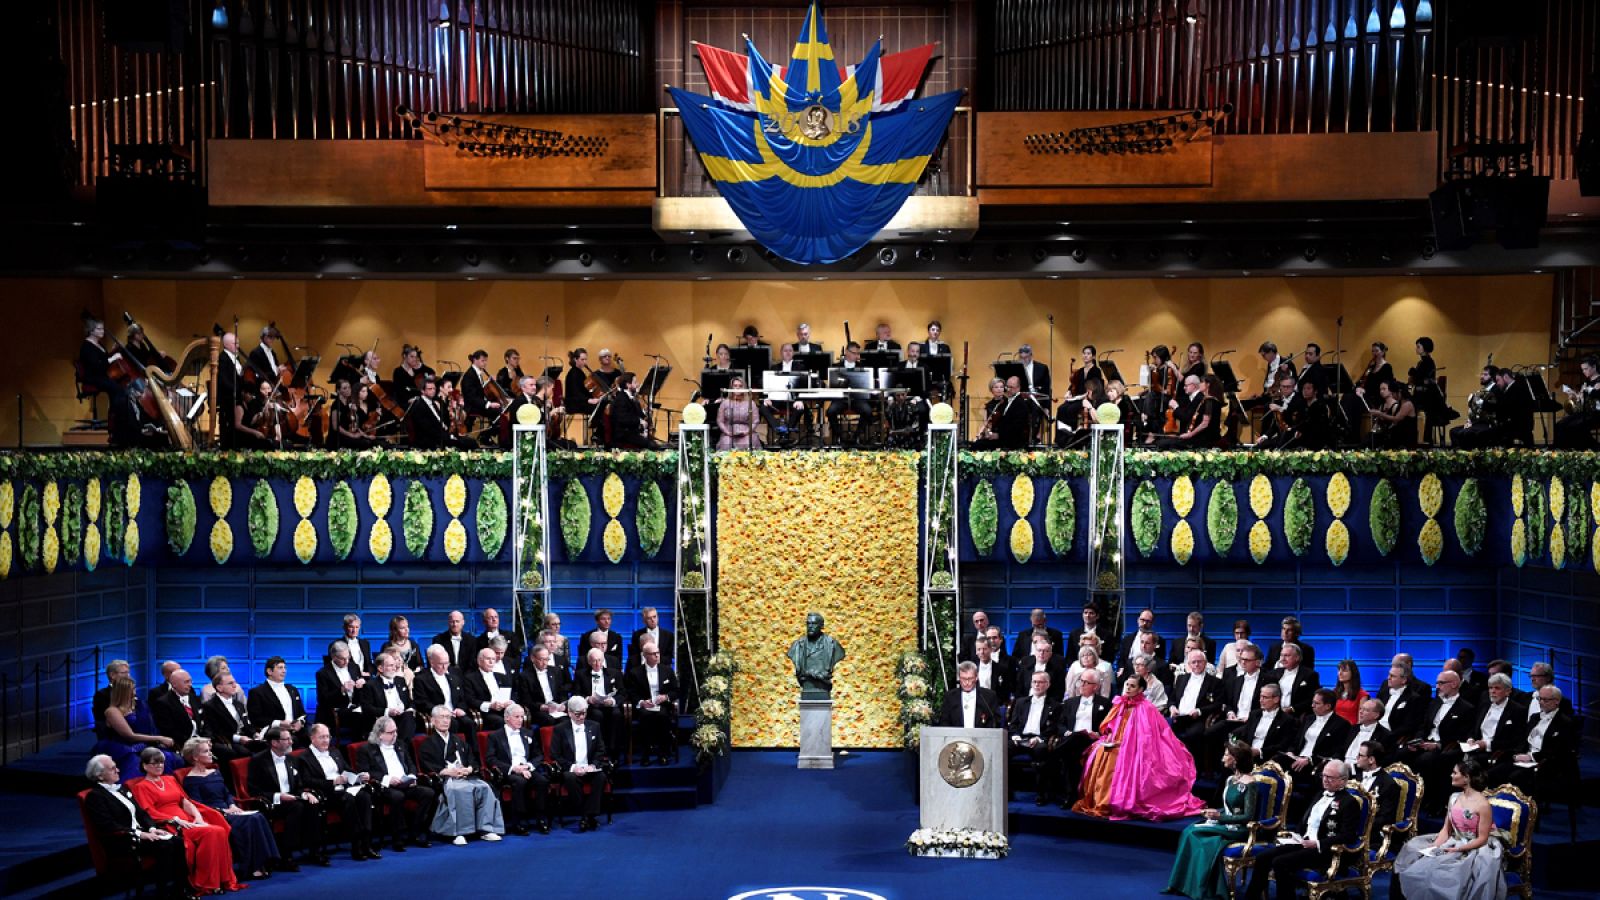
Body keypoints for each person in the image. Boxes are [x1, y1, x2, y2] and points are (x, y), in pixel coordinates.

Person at [1073, 676, 1206, 821]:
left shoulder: (1147, 708)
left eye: (1132, 686)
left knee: (1115, 756)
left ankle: (1114, 802)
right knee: (1098, 751)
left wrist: (1125, 743)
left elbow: (1149, 736)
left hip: (1138, 747)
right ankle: (1098, 801)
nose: (1128, 688)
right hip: (1115, 742)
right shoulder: (1120, 704)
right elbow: (1109, 726)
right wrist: (1110, 736)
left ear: (1141, 689)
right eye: (1127, 685)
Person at [1240, 761, 1364, 900]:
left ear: (1342, 781)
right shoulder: (1319, 794)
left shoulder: (1349, 802)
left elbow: (1348, 836)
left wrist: (1317, 843)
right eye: (1324, 775)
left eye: (1330, 777)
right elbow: (1306, 822)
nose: (1325, 780)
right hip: (1303, 843)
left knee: (1280, 862)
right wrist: (1295, 835)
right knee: (1263, 857)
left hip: (1323, 850)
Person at [130, 747, 241, 893]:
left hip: (187, 819)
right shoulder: (141, 787)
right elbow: (149, 812)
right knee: (212, 832)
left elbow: (186, 802)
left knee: (218, 830)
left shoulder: (169, 779)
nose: (159, 766)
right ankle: (205, 883)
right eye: (154, 763)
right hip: (169, 824)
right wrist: (174, 819)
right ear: (144, 766)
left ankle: (217, 880)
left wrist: (198, 817)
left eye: (161, 763)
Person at [1392, 759, 1505, 900]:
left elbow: (1482, 838)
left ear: (1466, 778)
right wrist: (1435, 846)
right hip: (1454, 840)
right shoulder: (1454, 798)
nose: (1451, 775)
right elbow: (1446, 829)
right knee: (1414, 853)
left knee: (1439, 876)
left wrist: (1458, 850)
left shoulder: (1483, 805)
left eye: (1455, 773)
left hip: (1474, 848)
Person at [1164, 744, 1261, 900]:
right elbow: (1228, 807)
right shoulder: (1231, 779)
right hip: (1225, 823)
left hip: (1239, 829)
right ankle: (1181, 884)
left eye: (1225, 755)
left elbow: (1247, 817)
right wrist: (1215, 812)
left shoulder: (1250, 784)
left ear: (1235, 759)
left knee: (1195, 833)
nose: (1222, 758)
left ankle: (1202, 888)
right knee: (1190, 831)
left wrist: (1219, 817)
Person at [82, 754, 188, 898]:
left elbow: (141, 813)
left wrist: (152, 828)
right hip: (123, 840)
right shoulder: (95, 796)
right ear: (100, 776)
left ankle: (179, 889)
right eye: (113, 768)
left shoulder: (122, 789)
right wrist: (140, 834)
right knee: (165, 845)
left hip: (141, 833)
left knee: (178, 841)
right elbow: (108, 826)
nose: (118, 770)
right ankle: (162, 892)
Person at [180, 737, 277, 879]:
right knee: (249, 820)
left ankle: (264, 862)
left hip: (231, 810)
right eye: (206, 751)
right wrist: (225, 811)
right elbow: (199, 805)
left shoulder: (215, 772)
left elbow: (227, 793)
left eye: (209, 751)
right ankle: (250, 867)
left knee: (258, 816)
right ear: (195, 757)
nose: (210, 754)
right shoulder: (191, 780)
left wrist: (232, 805)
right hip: (215, 815)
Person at [419, 706, 505, 845]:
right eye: (442, 717)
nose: (446, 721)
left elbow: (472, 759)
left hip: (465, 776)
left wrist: (469, 768)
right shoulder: (427, 744)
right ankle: (459, 832)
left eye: (448, 717)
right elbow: (427, 765)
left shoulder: (459, 740)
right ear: (433, 721)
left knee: (484, 787)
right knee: (459, 790)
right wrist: (446, 771)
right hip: (447, 779)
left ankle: (486, 829)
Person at [246, 726, 327, 870]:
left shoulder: (291, 759)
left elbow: (299, 784)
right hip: (272, 803)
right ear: (274, 743)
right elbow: (254, 790)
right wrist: (279, 796)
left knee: (312, 803)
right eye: (287, 739)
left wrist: (305, 793)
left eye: (291, 738)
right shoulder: (258, 761)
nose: (291, 742)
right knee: (297, 807)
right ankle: (286, 855)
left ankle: (315, 850)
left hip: (293, 799)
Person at [297, 724, 380, 861]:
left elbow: (346, 769)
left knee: (364, 796)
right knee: (348, 798)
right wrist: (333, 782)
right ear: (312, 738)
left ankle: (366, 841)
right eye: (322, 737)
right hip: (326, 794)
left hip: (344, 789)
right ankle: (356, 843)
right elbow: (307, 781)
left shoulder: (334, 751)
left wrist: (358, 776)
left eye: (328, 737)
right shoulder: (304, 757)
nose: (326, 740)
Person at [359, 715, 438, 851]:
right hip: (384, 787)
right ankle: (398, 837)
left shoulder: (400, 745)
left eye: (396, 731)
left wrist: (412, 777)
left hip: (405, 783)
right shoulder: (366, 750)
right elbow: (365, 772)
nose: (395, 735)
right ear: (380, 734)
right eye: (391, 733)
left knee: (429, 793)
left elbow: (411, 764)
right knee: (397, 796)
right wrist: (388, 779)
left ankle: (415, 832)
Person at [93, 675, 181, 781]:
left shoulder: (141, 705)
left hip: (146, 743)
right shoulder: (112, 711)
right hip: (125, 746)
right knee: (135, 764)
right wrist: (159, 738)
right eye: (132, 689)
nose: (135, 691)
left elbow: (152, 726)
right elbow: (130, 736)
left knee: (169, 757)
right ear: (123, 691)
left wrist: (158, 740)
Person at [485, 703, 551, 835]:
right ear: (507, 718)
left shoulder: (528, 733)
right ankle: (518, 822)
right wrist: (513, 769)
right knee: (519, 782)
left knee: (542, 781)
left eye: (522, 716)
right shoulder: (495, 736)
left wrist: (528, 766)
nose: (521, 720)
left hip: (527, 769)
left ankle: (541, 819)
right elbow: (490, 759)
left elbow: (539, 755)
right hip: (509, 771)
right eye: (517, 717)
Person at [551, 697, 611, 832]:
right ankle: (585, 816)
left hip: (589, 767)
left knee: (600, 777)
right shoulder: (560, 729)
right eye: (578, 714)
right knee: (570, 778)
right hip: (571, 768)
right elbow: (555, 754)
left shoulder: (594, 726)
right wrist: (573, 767)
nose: (582, 717)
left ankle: (589, 815)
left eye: (584, 713)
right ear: (570, 713)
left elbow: (600, 750)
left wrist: (593, 765)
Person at [1008, 671, 1062, 805]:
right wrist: (1015, 736)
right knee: (1003, 749)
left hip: (1039, 740)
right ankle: (1007, 791)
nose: (1037, 685)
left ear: (1048, 684)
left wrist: (1039, 738)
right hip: (1020, 738)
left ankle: (1041, 794)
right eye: (1034, 682)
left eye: (1040, 682)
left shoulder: (1054, 705)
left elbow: (1053, 728)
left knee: (1041, 751)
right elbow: (1013, 723)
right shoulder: (1020, 702)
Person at [624, 641, 680, 766]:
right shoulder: (635, 673)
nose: (657, 656)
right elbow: (631, 693)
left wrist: (665, 697)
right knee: (645, 716)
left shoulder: (667, 670)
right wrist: (642, 702)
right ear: (645, 656)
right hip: (645, 706)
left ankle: (663, 753)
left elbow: (676, 691)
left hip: (662, 705)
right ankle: (646, 754)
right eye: (653, 654)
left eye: (658, 653)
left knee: (663, 716)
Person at [1169, 650, 1225, 768]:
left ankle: (1191, 768)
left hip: (1199, 718)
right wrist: (1172, 707)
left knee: (1193, 735)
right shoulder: (1181, 679)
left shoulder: (1215, 682)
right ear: (1188, 664)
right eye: (1193, 662)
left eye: (1199, 662)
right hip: (1179, 716)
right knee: (1163, 731)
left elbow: (1218, 704)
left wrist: (1199, 711)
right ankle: (1169, 766)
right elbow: (1172, 698)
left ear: (1205, 663)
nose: (1196, 664)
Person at [246, 657, 308, 747]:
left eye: (285, 668)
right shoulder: (257, 692)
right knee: (292, 740)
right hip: (274, 732)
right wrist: (279, 723)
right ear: (269, 671)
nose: (284, 671)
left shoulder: (292, 689)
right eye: (280, 668)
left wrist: (300, 722)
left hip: (297, 730)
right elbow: (255, 718)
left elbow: (302, 713)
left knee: (316, 734)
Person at [315, 641, 367, 736]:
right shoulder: (323, 673)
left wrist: (363, 684)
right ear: (333, 657)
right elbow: (322, 699)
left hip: (356, 706)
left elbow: (361, 693)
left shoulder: (354, 667)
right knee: (359, 718)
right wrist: (341, 690)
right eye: (342, 659)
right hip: (337, 711)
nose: (346, 661)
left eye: (348, 657)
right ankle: (354, 748)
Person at [515, 645, 572, 727]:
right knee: (549, 720)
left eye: (547, 659)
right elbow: (525, 700)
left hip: (556, 708)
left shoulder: (555, 671)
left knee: (567, 720)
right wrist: (543, 707)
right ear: (533, 658)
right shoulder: (525, 676)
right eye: (541, 659)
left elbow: (561, 692)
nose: (545, 662)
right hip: (538, 710)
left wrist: (562, 705)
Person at [464, 647, 515, 733]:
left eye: (493, 659)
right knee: (500, 721)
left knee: (517, 717)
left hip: (505, 709)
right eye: (488, 659)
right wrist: (490, 705)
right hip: (486, 712)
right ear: (479, 661)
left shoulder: (502, 677)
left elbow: (513, 693)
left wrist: (510, 702)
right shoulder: (470, 678)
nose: (491, 662)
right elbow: (470, 700)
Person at [938, 661, 1001, 729]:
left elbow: (995, 721)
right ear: (959, 677)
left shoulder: (989, 696)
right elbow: (944, 722)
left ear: (976, 677)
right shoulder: (950, 697)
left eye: (970, 678)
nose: (967, 682)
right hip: (956, 738)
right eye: (963, 679)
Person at [716, 375, 764, 449]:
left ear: (744, 388)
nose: (737, 388)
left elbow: (756, 421)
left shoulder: (751, 403)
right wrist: (727, 432)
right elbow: (720, 421)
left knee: (748, 442)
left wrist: (747, 432)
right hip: (728, 432)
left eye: (740, 386)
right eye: (735, 386)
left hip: (747, 432)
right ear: (731, 388)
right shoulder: (725, 403)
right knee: (727, 442)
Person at [1017, 636, 1067, 703]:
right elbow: (1019, 687)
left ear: (1050, 654)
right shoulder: (1025, 665)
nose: (1041, 653)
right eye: (1039, 650)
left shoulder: (1057, 670)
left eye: (1045, 651)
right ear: (1035, 652)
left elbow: (1059, 692)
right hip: (1025, 702)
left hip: (1047, 704)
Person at [1332, 659, 1368, 725]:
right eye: (1339, 670)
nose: (1340, 673)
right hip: (1334, 729)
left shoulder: (1362, 695)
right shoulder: (1334, 692)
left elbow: (1361, 720)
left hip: (1351, 730)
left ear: (1353, 673)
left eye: (1344, 670)